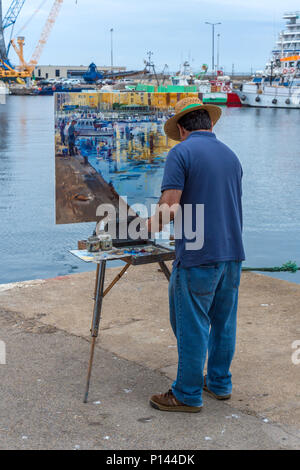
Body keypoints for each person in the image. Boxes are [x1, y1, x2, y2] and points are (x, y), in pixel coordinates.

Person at [147, 97, 245, 413]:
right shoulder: (231, 156)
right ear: (210, 124)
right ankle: (219, 384)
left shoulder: (181, 153)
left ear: (180, 128)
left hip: (198, 254)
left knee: (191, 325)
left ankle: (187, 394)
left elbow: (169, 206)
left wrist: (139, 228)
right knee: (223, 322)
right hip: (232, 253)